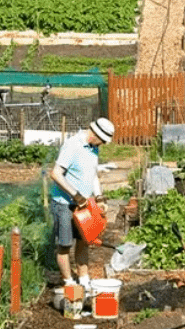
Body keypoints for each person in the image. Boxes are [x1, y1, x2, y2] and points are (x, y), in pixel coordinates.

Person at [50, 117, 114, 291]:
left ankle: (84, 280)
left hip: (84, 206)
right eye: (102, 140)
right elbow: (56, 173)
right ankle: (69, 283)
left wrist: (99, 197)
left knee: (84, 241)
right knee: (64, 244)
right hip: (64, 203)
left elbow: (92, 175)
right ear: (95, 135)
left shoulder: (93, 148)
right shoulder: (73, 145)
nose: (102, 144)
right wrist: (75, 195)